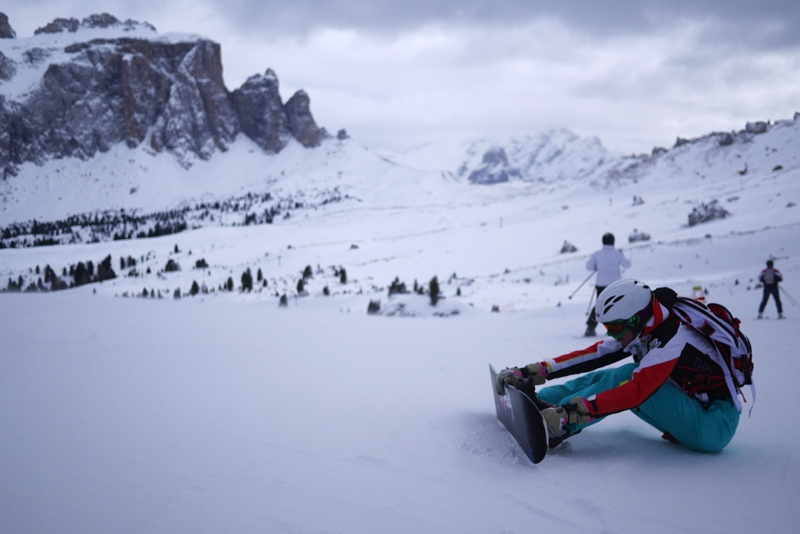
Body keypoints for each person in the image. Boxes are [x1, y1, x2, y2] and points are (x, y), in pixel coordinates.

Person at [496, 279, 743, 453]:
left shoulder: (673, 337)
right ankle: (543, 404)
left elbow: (636, 392)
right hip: (693, 406)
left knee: (625, 378)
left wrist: (572, 414)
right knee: (606, 374)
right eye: (607, 328)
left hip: (713, 424)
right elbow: (595, 354)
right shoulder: (648, 324)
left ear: (635, 318)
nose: (612, 334)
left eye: (615, 328)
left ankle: (559, 424)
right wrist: (536, 370)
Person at [584, 233, 631, 336]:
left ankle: (590, 327)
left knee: (600, 306)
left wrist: (597, 265)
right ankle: (616, 328)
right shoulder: (617, 254)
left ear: (603, 241)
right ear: (613, 241)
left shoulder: (597, 254)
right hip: (616, 284)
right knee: (616, 305)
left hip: (601, 284)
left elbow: (588, 267)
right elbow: (627, 265)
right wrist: (621, 255)